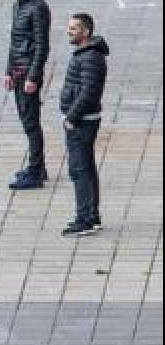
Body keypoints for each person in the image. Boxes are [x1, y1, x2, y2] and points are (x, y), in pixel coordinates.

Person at [58, 14, 108, 236]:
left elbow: (88, 93)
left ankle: (84, 219)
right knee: (86, 167)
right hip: (82, 120)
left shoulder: (90, 58)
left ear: (85, 32)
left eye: (74, 28)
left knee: (79, 170)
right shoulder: (85, 55)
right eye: (69, 27)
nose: (69, 31)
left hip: (82, 122)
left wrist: (71, 117)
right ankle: (91, 216)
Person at [3, 0, 51, 189]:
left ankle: (35, 172)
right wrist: (8, 71)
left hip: (28, 73)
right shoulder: (18, 7)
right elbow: (14, 42)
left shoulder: (38, 8)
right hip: (18, 71)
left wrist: (33, 76)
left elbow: (42, 46)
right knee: (27, 121)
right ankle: (38, 167)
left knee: (31, 124)